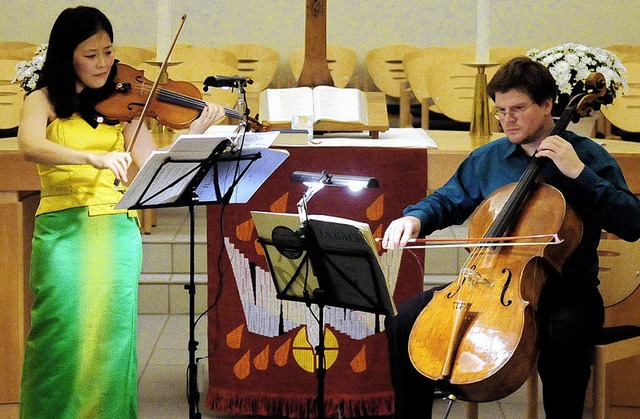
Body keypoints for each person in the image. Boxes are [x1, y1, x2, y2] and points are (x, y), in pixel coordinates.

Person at [382, 56, 640, 419]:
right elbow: (448, 199)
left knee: (564, 333)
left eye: (518, 108)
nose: (507, 119)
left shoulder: (586, 157)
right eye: (501, 110)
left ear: (548, 105)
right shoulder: (488, 158)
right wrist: (415, 218)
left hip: (565, 289)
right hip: (488, 282)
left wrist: (579, 174)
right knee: (405, 321)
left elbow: (633, 222)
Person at [17, 6, 225, 418]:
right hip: (63, 231)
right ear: (66, 54)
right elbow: (30, 146)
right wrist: (89, 159)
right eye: (90, 54)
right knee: (59, 336)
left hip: (116, 230)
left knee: (113, 340)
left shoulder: (122, 107)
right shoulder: (41, 100)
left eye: (108, 52)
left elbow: (152, 167)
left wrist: (195, 134)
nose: (103, 64)